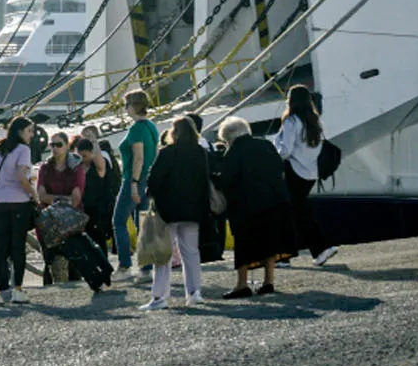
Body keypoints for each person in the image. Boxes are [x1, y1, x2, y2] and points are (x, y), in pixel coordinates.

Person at [217, 117, 296, 298]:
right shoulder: (265, 145)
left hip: (247, 206)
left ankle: (242, 284)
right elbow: (279, 167)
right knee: (270, 241)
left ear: (229, 137)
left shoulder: (234, 152)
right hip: (274, 201)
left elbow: (227, 180)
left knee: (244, 244)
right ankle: (268, 281)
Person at [142, 116, 209, 310]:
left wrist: (152, 195)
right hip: (193, 210)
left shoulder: (167, 152)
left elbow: (154, 180)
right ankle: (194, 292)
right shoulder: (200, 153)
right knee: (191, 253)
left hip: (167, 211)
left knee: (163, 255)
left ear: (175, 132)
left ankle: (159, 297)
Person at [275, 85, 339, 266]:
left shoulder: (291, 121)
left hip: (294, 171)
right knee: (299, 212)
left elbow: (285, 151)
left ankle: (302, 252)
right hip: (310, 173)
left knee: (291, 213)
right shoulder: (314, 120)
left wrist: (275, 148)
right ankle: (316, 249)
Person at [0, 117, 38, 306]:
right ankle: (17, 289)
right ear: (20, 131)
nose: (31, 135)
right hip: (18, 201)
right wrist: (33, 194)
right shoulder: (23, 150)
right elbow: (21, 176)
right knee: (17, 246)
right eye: (29, 131)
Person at [115, 89, 158, 281]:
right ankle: (146, 268)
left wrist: (132, 183)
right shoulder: (151, 126)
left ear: (133, 106)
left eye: (126, 105)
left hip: (134, 179)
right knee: (143, 223)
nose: (125, 109)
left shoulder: (136, 129)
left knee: (118, 221)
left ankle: (125, 267)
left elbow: (138, 158)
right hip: (147, 179)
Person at [37, 131, 84, 284]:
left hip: (70, 221)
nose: (55, 148)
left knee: (73, 264)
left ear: (67, 146)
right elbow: (41, 195)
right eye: (52, 145)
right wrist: (64, 199)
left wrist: (53, 199)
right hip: (49, 221)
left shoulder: (76, 168)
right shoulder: (45, 168)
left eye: (59, 145)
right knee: (49, 262)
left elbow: (76, 198)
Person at [76, 138, 120, 255]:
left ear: (91, 153)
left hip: (98, 208)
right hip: (83, 208)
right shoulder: (78, 167)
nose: (82, 159)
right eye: (80, 156)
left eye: (85, 156)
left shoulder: (97, 167)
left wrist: (94, 142)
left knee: (99, 240)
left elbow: (100, 164)